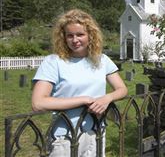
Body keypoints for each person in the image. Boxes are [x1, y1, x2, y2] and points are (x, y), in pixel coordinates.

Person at [32, 9, 128, 157]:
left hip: (96, 131)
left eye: (80, 34)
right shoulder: (53, 62)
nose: (75, 40)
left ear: (91, 35)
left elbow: (122, 89)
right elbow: (38, 103)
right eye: (70, 35)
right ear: (63, 37)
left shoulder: (102, 60)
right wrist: (84, 100)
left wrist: (107, 98)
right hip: (65, 136)